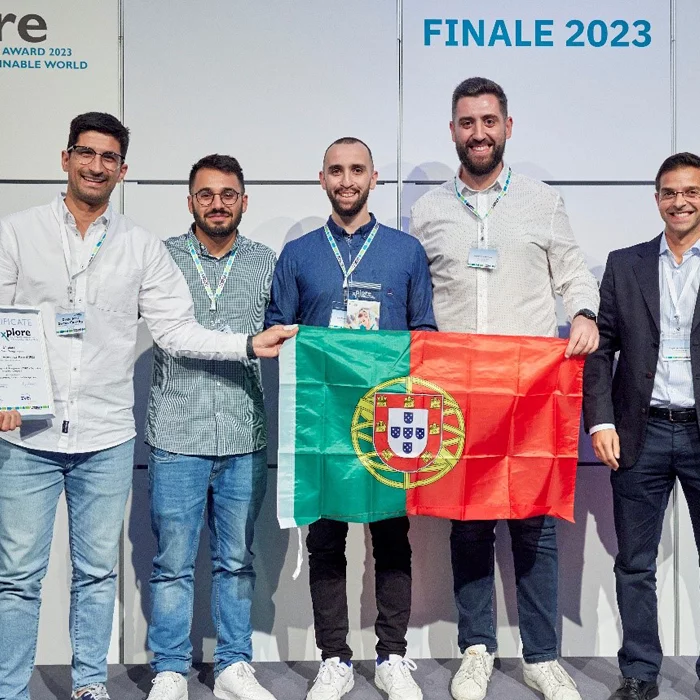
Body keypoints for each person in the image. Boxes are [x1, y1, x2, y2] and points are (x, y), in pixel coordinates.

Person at [0, 113, 294, 700]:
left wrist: (246, 344)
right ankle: (12, 689)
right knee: (18, 577)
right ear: (65, 159)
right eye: (87, 153)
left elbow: (176, 330)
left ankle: (90, 685)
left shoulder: (138, 247)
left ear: (123, 170)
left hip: (110, 433)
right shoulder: (18, 232)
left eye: (109, 158)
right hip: (30, 431)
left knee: (98, 573)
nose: (96, 166)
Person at [409, 77, 599, 700]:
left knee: (534, 525)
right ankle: (476, 649)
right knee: (468, 524)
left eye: (489, 121)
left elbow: (573, 275)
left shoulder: (543, 202)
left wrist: (585, 314)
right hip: (457, 394)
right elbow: (416, 298)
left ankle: (542, 657)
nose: (479, 133)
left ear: (508, 127)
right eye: (467, 122)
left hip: (529, 392)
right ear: (453, 131)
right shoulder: (428, 210)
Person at [266, 137, 436, 700]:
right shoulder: (298, 254)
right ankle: (334, 659)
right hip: (322, 420)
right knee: (326, 539)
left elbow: (425, 333)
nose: (346, 180)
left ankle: (392, 656)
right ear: (322, 179)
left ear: (374, 177)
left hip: (390, 418)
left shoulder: (406, 251)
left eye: (356, 169)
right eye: (336, 170)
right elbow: (277, 329)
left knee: (391, 536)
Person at [144, 154, 277, 700]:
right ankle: (170, 668)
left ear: (244, 201)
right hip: (177, 433)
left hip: (243, 433)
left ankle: (233, 665)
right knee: (172, 563)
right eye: (206, 194)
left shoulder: (266, 262)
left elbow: (293, 331)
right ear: (190, 201)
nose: (217, 204)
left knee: (237, 561)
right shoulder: (162, 257)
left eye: (228, 194)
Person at [583, 151, 700, 700]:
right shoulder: (624, 263)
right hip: (640, 431)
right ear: (657, 200)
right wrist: (601, 421)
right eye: (670, 192)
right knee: (634, 563)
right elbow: (600, 350)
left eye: (691, 191)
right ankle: (639, 673)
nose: (680, 202)